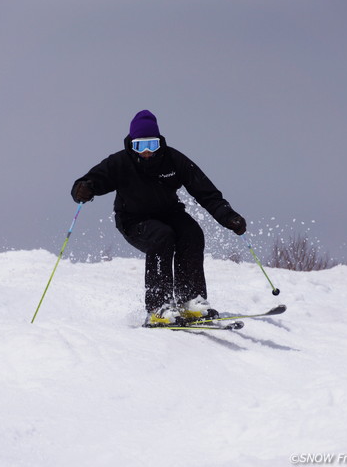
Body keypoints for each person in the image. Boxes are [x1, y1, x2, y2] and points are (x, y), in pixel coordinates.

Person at [71, 110, 247, 326]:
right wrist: (83, 189)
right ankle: (158, 306)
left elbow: (205, 191)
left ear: (160, 143)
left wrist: (227, 216)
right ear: (131, 145)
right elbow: (89, 181)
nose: (146, 152)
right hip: (133, 220)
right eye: (140, 146)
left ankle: (189, 300)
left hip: (169, 213)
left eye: (152, 145)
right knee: (162, 237)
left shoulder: (173, 160)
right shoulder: (119, 163)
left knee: (191, 233)